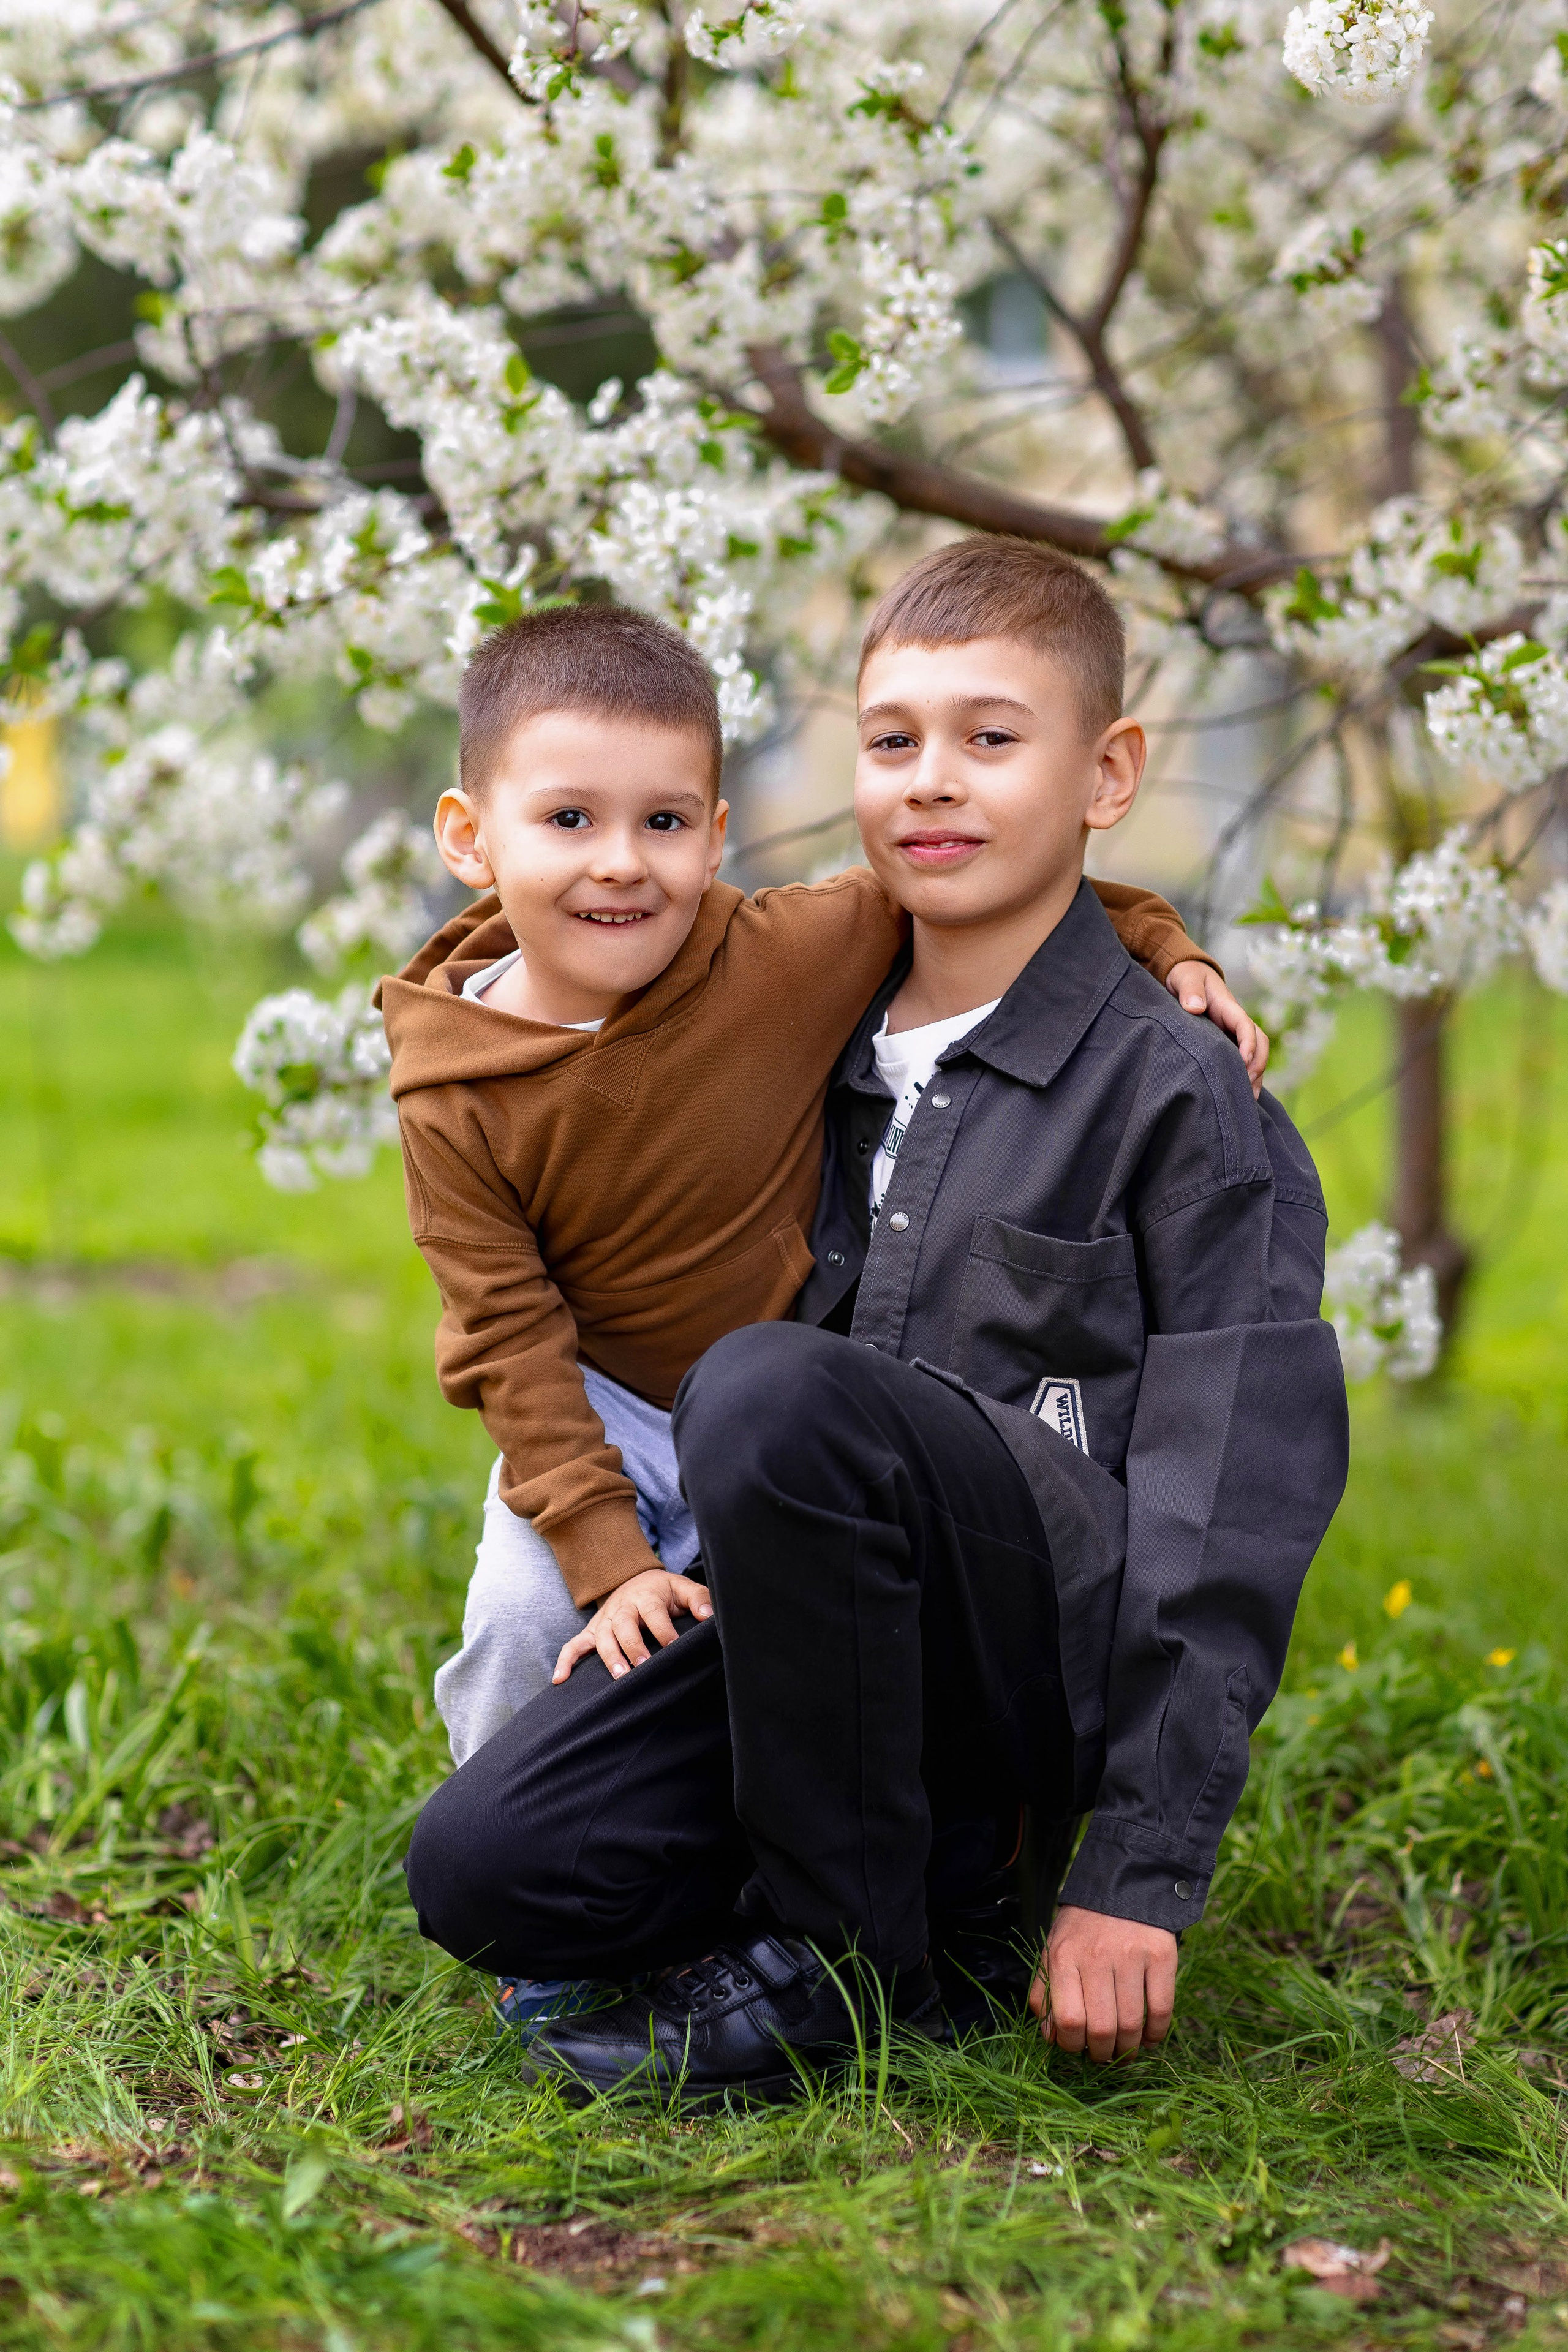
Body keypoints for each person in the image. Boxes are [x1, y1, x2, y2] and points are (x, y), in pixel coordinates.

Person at [402, 539, 1349, 2101]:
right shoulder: (799, 1000)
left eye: (990, 738)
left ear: (1105, 771)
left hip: (1021, 1656)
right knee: (491, 1869)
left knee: (769, 1390)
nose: (934, 781)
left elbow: (1228, 1508)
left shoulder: (1175, 1087)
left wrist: (1135, 1876)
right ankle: (929, 1919)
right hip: (807, 1638)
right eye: (892, 739)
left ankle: (845, 1960)